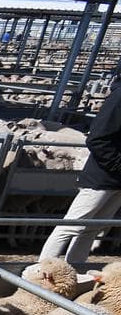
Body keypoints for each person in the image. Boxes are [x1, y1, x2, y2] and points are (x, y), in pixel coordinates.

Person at [39, 77, 121, 265]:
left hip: (116, 179)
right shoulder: (119, 97)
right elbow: (97, 139)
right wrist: (118, 165)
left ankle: (75, 269)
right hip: (102, 177)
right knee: (70, 225)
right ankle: (43, 271)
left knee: (93, 228)